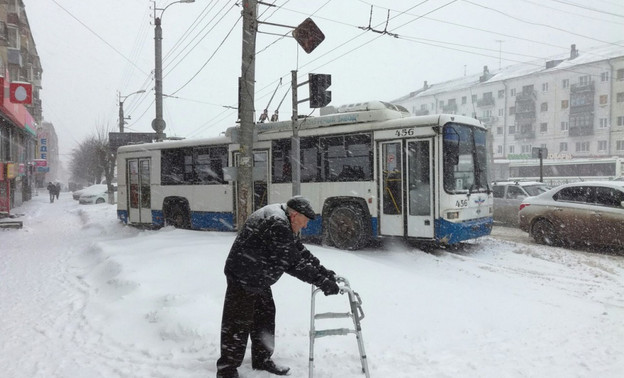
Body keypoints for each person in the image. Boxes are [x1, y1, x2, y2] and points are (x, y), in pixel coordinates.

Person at [216, 196, 339, 378]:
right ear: (295, 215)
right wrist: (323, 282)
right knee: (238, 322)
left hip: (258, 276)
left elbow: (298, 249)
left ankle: (262, 359)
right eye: (304, 222)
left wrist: (322, 270)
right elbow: (292, 263)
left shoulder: (282, 216)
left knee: (264, 315)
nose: (305, 226)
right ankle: (226, 370)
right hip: (243, 275)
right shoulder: (277, 223)